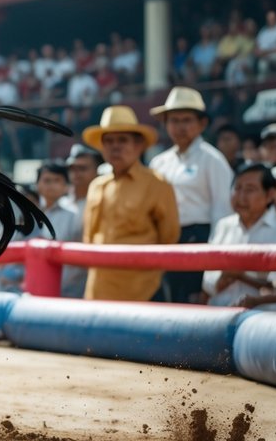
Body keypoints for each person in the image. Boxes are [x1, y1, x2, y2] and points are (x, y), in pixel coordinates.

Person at [81, 105, 180, 301]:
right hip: (97, 287)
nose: (115, 146)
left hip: (141, 289)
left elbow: (169, 237)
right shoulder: (96, 186)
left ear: (138, 146)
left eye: (122, 140)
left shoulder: (157, 184)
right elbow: (89, 237)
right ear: (101, 147)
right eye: (108, 141)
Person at [148, 86, 234, 303]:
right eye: (174, 120)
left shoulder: (212, 160)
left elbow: (222, 212)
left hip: (200, 239)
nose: (180, 127)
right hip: (165, 242)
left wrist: (215, 259)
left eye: (186, 120)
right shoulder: (159, 162)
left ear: (202, 124)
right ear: (165, 124)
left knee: (193, 304)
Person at [201, 164, 276, 310]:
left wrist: (241, 275)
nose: (241, 197)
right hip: (219, 316)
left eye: (249, 190)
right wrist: (221, 280)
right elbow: (208, 280)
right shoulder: (224, 226)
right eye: (237, 188)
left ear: (270, 194)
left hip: (265, 322)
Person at [35, 162, 84, 298]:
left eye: (57, 180)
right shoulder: (30, 214)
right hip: (32, 289)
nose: (51, 185)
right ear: (37, 184)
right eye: (46, 180)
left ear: (66, 186)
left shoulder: (75, 215)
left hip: (65, 291)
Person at [62, 143, 102, 217]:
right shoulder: (61, 203)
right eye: (72, 168)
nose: (76, 172)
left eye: (82, 168)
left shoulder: (102, 202)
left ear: (96, 171)